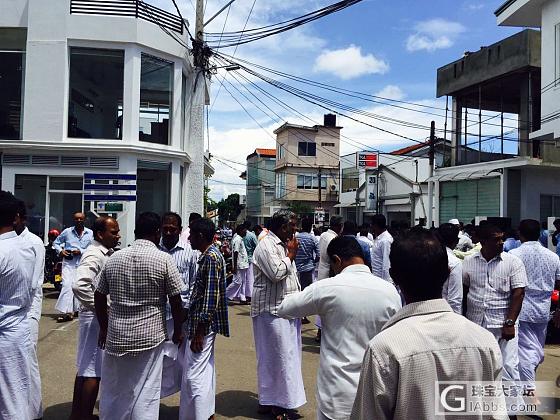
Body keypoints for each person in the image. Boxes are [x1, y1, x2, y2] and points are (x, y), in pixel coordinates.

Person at [351, 229, 507, 420]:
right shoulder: (484, 341)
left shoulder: (385, 348)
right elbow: (496, 413)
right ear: (448, 273)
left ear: (395, 276)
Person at [278, 236, 401, 420]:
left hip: (338, 394)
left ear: (337, 260)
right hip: (377, 393)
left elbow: (285, 308)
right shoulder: (390, 292)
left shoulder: (327, 288)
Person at [94, 212, 185, 419]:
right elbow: (176, 300)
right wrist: (178, 330)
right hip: (150, 336)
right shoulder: (164, 260)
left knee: (115, 388)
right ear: (156, 233)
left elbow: (98, 295)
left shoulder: (114, 258)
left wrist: (104, 327)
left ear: (135, 233)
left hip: (116, 335)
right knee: (146, 391)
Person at [252, 210, 306, 419]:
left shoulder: (282, 245)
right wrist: (291, 255)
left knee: (285, 357)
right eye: (293, 226)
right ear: (283, 227)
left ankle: (271, 400)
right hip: (271, 312)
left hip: (286, 311)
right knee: (277, 358)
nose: (295, 230)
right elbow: (276, 274)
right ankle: (278, 404)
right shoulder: (266, 245)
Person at [462, 223, 527, 389]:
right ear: (482, 241)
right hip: (476, 324)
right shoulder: (469, 262)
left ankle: (511, 413)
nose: (501, 242)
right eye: (495, 239)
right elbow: (464, 291)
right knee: (479, 369)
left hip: (503, 325)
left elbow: (518, 293)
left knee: (508, 369)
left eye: (502, 239)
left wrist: (510, 323)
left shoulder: (513, 262)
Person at [70, 216, 120, 420]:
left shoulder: (104, 252)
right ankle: (84, 415)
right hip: (95, 318)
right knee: (93, 371)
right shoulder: (94, 254)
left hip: (94, 315)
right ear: (100, 234)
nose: (118, 235)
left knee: (85, 368)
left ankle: (78, 414)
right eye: (114, 232)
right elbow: (79, 285)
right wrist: (104, 308)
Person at [180, 218, 230, 420]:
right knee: (204, 371)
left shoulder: (210, 258)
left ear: (200, 236)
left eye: (191, 234)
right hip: (202, 324)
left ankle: (200, 415)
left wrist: (200, 331)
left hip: (202, 327)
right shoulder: (210, 255)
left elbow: (210, 297)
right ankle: (206, 414)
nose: (189, 238)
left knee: (194, 376)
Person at [509, 219, 560, 393]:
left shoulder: (514, 255)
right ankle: (527, 389)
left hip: (520, 310)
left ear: (519, 233)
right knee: (535, 351)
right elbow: (559, 284)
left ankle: (528, 392)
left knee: (527, 354)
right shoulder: (553, 256)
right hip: (543, 310)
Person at [0, 191, 36, 419]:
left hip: (5, 332)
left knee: (9, 402)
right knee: (17, 394)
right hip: (19, 328)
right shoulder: (27, 247)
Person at [159, 212, 199, 398]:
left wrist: (186, 309)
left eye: (172, 229)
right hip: (158, 315)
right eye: (165, 228)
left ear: (179, 230)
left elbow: (194, 284)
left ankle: (185, 399)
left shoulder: (189, 253)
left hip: (181, 315)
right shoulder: (154, 250)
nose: (168, 232)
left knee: (182, 360)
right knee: (159, 360)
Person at [14, 199, 45, 420]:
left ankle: (33, 411)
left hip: (27, 309)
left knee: (27, 360)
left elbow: (32, 285)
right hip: (12, 311)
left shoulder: (33, 242)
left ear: (21, 218)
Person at [54, 212, 93, 321]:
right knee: (67, 285)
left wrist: (80, 251)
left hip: (83, 262)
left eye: (81, 219)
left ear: (85, 220)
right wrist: (61, 251)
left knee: (78, 286)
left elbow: (93, 248)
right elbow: (56, 243)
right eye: (76, 219)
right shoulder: (67, 232)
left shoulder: (90, 233)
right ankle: (65, 312)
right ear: (73, 220)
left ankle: (77, 309)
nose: (79, 221)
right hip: (69, 262)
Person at [436, 223, 463, 314]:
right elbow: (455, 299)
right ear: (457, 241)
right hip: (444, 313)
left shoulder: (427, 255)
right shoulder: (454, 263)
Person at [226, 224, 252, 304]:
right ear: (241, 231)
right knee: (237, 282)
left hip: (243, 264)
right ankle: (224, 295)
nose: (246, 232)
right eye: (245, 230)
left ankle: (242, 298)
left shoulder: (240, 239)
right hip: (239, 264)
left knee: (243, 282)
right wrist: (234, 266)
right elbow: (235, 252)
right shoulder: (237, 239)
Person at [295, 217, 320, 291]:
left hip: (296, 269)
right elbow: (319, 254)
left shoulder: (295, 238)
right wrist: (313, 261)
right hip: (308, 269)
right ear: (310, 227)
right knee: (307, 292)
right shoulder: (313, 239)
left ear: (302, 226)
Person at [318, 216, 344, 281]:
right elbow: (334, 261)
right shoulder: (334, 239)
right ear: (340, 225)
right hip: (329, 276)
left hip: (321, 272)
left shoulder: (323, 235)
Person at [370, 214, 393, 282]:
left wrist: (387, 283)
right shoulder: (378, 238)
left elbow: (387, 264)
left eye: (372, 225)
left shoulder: (385, 240)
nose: (371, 227)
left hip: (382, 280)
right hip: (376, 278)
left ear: (376, 225)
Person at [243, 221, 258, 298]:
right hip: (250, 258)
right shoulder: (252, 235)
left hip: (241, 259)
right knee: (250, 278)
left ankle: (243, 295)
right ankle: (249, 294)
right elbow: (257, 246)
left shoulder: (238, 235)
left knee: (243, 279)